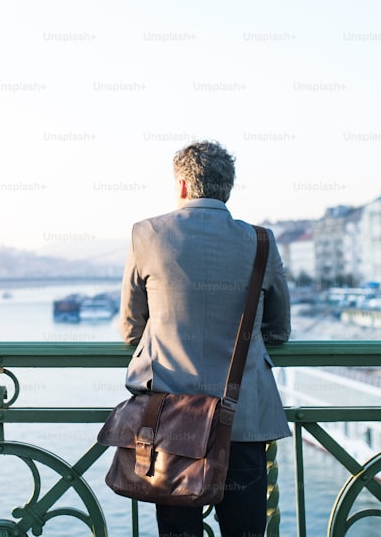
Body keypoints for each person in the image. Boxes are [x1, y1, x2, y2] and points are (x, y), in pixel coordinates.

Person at [118, 140, 292, 537]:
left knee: (178, 530)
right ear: (227, 189)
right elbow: (280, 329)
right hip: (244, 415)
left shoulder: (147, 234)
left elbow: (131, 327)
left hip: (172, 417)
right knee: (246, 528)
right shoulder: (261, 241)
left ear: (181, 186)